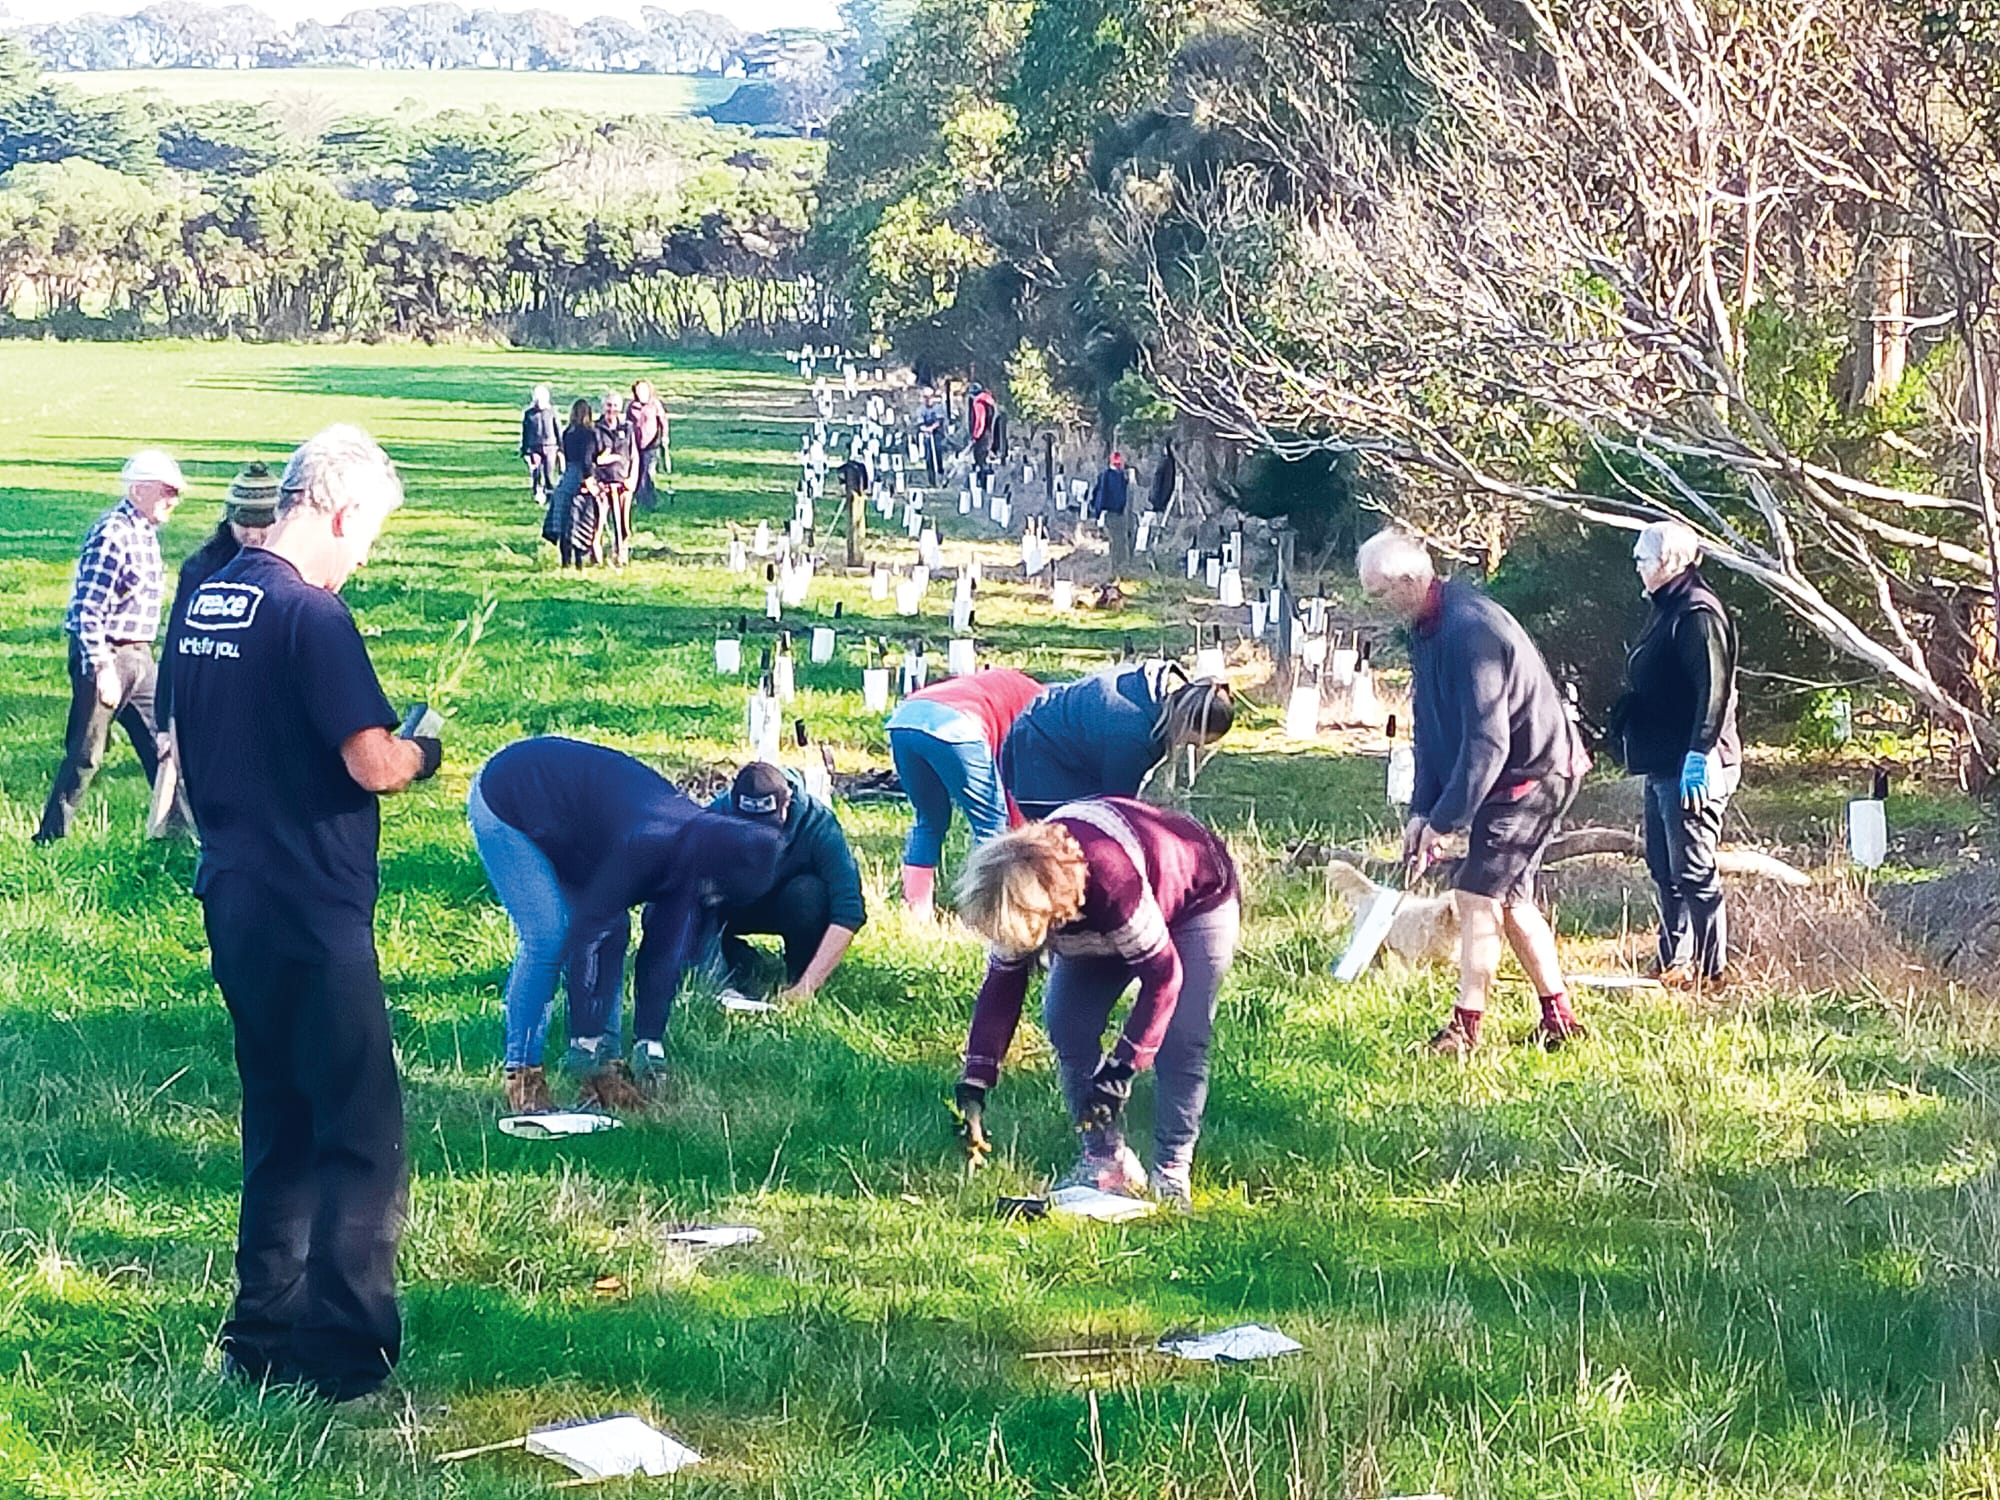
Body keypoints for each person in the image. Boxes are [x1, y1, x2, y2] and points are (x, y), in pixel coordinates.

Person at [168, 425, 442, 1403]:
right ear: (340, 511)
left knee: (277, 1119)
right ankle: (344, 1353)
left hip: (234, 890)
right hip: (314, 907)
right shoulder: (308, 614)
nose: (363, 555)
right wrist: (424, 752)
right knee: (359, 1132)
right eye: (367, 535)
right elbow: (368, 760)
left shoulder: (210, 598)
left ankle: (259, 1334)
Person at [1357, 530, 1589, 1054]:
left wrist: (1446, 821)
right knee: (1509, 900)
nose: (1376, 606)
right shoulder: (1426, 627)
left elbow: (1488, 742)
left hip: (1534, 774)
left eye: (1378, 594)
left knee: (1475, 893)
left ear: (1411, 582)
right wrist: (1423, 809)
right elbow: (1433, 727)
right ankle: (1560, 1018)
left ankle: (1466, 1028)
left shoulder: (1469, 631)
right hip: (1505, 774)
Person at [952, 798, 1240, 1212]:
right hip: (1092, 920)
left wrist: (1122, 1067)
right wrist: (975, 1081)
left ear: (1044, 909)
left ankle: (1172, 1171)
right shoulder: (1012, 890)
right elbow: (1002, 984)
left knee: (1181, 1035)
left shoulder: (1110, 880)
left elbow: (1163, 976)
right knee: (1067, 1020)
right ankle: (1104, 1161)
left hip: (1194, 899)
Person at [468, 737, 782, 1108]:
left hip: (575, 826)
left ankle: (605, 1073)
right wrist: (583, 1038)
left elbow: (663, 954)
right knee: (549, 937)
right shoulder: (650, 841)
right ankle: (523, 1075)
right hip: (511, 795)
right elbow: (588, 932)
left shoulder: (700, 855)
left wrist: (649, 1042)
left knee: (617, 929)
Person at [1611, 520, 1741, 989]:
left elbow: (1714, 689)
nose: (1637, 566)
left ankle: (1712, 973)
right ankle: (1674, 961)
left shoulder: (1697, 614)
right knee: (1664, 868)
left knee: (1694, 868)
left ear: (1669, 563)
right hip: (1663, 762)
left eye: (1643, 558)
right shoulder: (1667, 607)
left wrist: (1700, 753)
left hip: (1694, 763)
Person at [34, 449, 184, 844]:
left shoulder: (146, 534)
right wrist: (102, 669)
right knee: (86, 754)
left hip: (140, 656)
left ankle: (178, 836)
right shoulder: (113, 533)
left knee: (165, 746)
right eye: (167, 491)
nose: (174, 500)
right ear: (138, 490)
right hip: (108, 655)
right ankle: (51, 838)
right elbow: (86, 609)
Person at [154, 462, 281, 831]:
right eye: (245, 525)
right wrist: (166, 721)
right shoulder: (202, 568)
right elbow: (176, 647)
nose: (255, 535)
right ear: (229, 520)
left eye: (264, 524)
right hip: (209, 695)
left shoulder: (290, 569)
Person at [887, 667, 1045, 915]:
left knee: (929, 819)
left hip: (904, 719)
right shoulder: (1040, 708)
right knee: (991, 824)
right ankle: (988, 912)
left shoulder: (1006, 683)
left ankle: (916, 910)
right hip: (958, 726)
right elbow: (1018, 775)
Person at [707, 763, 866, 1004]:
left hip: (786, 903)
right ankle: (732, 963)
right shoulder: (713, 818)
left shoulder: (818, 823)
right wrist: (716, 982)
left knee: (810, 894)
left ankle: (800, 973)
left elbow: (849, 910)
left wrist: (806, 986)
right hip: (731, 903)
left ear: (787, 802)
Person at [1000, 662, 1234, 821]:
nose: (1186, 746)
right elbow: (1117, 808)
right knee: (1071, 843)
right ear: (1185, 721)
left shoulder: (1155, 685)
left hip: (1044, 721)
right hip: (1040, 761)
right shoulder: (1133, 735)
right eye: (1191, 742)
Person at [545, 399, 596, 569]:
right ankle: (580, 562)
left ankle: (565, 562)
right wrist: (589, 480)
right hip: (580, 478)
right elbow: (587, 460)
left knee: (564, 522)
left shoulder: (568, 433)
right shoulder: (589, 434)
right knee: (580, 520)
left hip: (566, 479)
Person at [593, 391, 636, 567]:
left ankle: (621, 554)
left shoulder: (627, 428)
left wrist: (632, 478)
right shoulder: (595, 428)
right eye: (609, 406)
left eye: (616, 406)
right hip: (602, 484)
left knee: (623, 524)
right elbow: (591, 456)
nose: (612, 410)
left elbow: (634, 455)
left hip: (623, 483)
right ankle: (596, 557)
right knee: (599, 522)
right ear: (604, 407)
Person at [1089, 452, 1134, 571]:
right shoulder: (1106, 476)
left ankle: (1122, 565)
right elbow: (1100, 495)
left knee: (1121, 540)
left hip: (1120, 513)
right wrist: (1099, 513)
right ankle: (1115, 567)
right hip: (1110, 512)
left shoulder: (1122, 477)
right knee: (1114, 541)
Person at [629, 379, 670, 510]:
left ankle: (650, 501)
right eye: (639, 390)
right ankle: (639, 499)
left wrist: (664, 436)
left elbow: (663, 421)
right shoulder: (632, 407)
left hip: (652, 445)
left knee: (648, 472)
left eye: (644, 390)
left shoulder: (655, 405)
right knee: (638, 472)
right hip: (636, 446)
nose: (641, 393)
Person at [520, 385, 561, 506]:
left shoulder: (551, 413)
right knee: (536, 471)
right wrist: (525, 449)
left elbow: (557, 429)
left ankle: (549, 494)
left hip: (550, 447)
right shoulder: (529, 414)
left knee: (549, 473)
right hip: (534, 447)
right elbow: (525, 432)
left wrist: (561, 447)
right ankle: (537, 492)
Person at [967, 383, 999, 483]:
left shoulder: (979, 403)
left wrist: (975, 436)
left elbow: (980, 422)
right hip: (989, 434)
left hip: (982, 436)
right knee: (985, 458)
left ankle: (982, 483)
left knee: (980, 459)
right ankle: (986, 483)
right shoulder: (989, 402)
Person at [915, 387, 945, 486]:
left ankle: (940, 476)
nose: (928, 399)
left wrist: (932, 428)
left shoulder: (938, 407)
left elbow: (940, 421)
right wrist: (925, 429)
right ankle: (931, 480)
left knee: (938, 453)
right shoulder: (921, 410)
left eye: (930, 397)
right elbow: (920, 423)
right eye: (925, 397)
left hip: (937, 434)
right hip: (926, 434)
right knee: (929, 457)